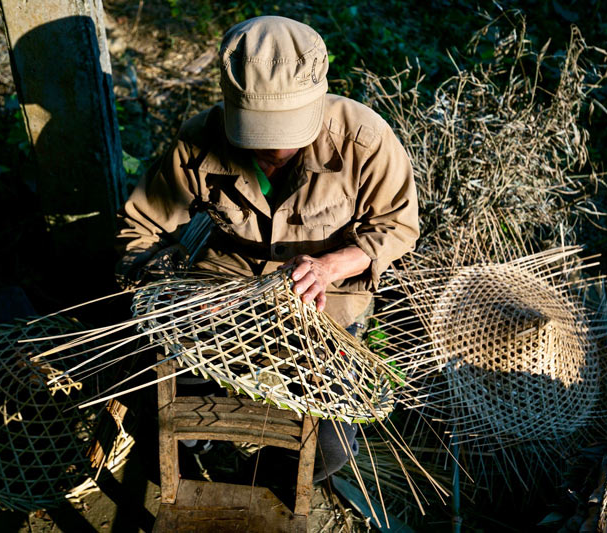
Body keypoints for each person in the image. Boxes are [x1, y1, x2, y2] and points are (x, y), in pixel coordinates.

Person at [116, 15, 419, 482]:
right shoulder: (199, 140)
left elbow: (398, 226)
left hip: (324, 302)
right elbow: (141, 228)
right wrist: (174, 290)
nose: (274, 151)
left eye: (288, 134)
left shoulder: (366, 141)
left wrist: (331, 266)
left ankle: (255, 480)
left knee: (329, 450)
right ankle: (200, 461)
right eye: (258, 135)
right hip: (222, 291)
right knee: (161, 409)